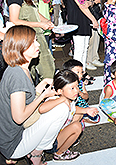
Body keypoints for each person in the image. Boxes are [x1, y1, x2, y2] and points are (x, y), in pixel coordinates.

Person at [0, 25, 68, 165]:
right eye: (32, 42)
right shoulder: (17, 75)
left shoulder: (20, 69)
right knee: (62, 108)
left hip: (14, 136)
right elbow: (19, 118)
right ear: (21, 46)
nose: (38, 44)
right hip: (14, 143)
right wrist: (43, 96)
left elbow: (25, 98)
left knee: (56, 102)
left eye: (36, 40)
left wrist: (41, 85)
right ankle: (36, 152)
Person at [5, 0, 55, 80]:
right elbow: (14, 20)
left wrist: (46, 21)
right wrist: (39, 24)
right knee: (31, 71)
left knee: (48, 66)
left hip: (38, 35)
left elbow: (35, 11)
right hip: (25, 38)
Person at [38, 69, 98, 162]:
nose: (77, 90)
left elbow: (73, 109)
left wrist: (87, 110)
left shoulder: (68, 98)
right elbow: (41, 109)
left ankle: (66, 140)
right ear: (60, 91)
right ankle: (60, 153)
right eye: (72, 88)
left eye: (77, 86)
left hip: (53, 137)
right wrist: (61, 99)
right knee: (77, 127)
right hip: (48, 143)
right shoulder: (55, 99)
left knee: (79, 115)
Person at [66, 0, 99, 72]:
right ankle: (76, 75)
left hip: (85, 19)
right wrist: (94, 19)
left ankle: (82, 73)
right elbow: (81, 5)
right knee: (79, 49)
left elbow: (86, 3)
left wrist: (90, 4)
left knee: (85, 48)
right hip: (77, 20)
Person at [62, 59, 100, 123]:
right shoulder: (66, 85)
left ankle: (82, 118)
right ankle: (77, 119)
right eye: (77, 72)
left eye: (81, 72)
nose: (80, 75)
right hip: (72, 108)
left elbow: (86, 96)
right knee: (77, 116)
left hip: (82, 105)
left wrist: (81, 93)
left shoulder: (81, 83)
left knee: (96, 118)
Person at [82, 0, 103, 71]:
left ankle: (94, 57)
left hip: (96, 12)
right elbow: (85, 3)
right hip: (89, 13)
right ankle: (87, 60)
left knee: (96, 36)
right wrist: (95, 1)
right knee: (90, 38)